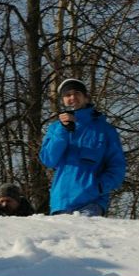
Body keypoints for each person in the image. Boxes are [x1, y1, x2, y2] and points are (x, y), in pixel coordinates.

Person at [38, 78, 126, 216]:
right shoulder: (55, 128)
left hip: (92, 202)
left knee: (84, 236)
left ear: (86, 97)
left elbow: (117, 166)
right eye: (67, 95)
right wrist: (63, 130)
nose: (72, 97)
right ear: (63, 100)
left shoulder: (105, 130)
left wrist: (99, 186)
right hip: (61, 202)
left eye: (77, 93)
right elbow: (48, 160)